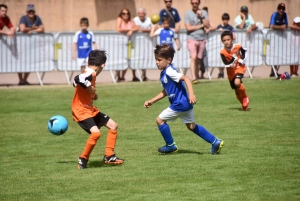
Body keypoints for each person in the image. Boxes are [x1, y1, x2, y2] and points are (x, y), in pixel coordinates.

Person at [144, 44, 224, 154]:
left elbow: (186, 78)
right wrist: (152, 100)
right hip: (185, 103)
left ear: (169, 60)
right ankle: (215, 142)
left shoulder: (169, 71)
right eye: (156, 60)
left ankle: (170, 145)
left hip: (179, 103)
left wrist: (191, 94)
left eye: (159, 60)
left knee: (160, 120)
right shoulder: (165, 72)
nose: (156, 62)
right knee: (191, 126)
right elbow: (166, 91)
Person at [72, 49, 124, 169]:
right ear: (103, 65)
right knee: (96, 133)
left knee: (113, 126)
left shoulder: (89, 72)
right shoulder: (91, 73)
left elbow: (76, 84)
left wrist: (92, 95)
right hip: (81, 111)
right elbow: (77, 79)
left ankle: (109, 156)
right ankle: (83, 159)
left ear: (88, 62)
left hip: (89, 109)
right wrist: (90, 88)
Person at [220, 31, 249, 111]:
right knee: (237, 91)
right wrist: (234, 58)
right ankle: (244, 104)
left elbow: (244, 51)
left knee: (237, 82)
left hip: (239, 68)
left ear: (232, 39)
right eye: (224, 40)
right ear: (222, 41)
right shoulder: (222, 52)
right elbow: (226, 64)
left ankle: (245, 97)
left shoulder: (238, 46)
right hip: (231, 73)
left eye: (228, 39)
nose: (226, 42)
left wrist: (242, 59)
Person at [184, 0, 210, 84]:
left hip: (202, 38)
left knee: (199, 59)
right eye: (193, 3)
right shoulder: (187, 13)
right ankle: (194, 77)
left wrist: (201, 16)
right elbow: (188, 28)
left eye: (196, 3)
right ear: (191, 3)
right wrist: (202, 25)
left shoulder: (204, 12)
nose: (194, 5)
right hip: (192, 38)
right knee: (193, 57)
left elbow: (208, 25)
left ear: (199, 3)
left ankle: (196, 75)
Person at [18, 4, 44, 85]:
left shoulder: (37, 18)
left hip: (31, 47)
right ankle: (20, 79)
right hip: (22, 45)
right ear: (27, 12)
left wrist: (32, 31)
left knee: (29, 62)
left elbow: (42, 28)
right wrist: (32, 28)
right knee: (20, 63)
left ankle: (24, 80)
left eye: (32, 11)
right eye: (29, 11)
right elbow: (22, 29)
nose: (31, 12)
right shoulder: (23, 18)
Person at [115, 8, 139, 82]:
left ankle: (123, 77)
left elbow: (137, 28)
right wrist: (130, 29)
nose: (126, 15)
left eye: (127, 13)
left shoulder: (130, 20)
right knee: (119, 59)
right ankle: (118, 77)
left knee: (128, 58)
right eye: (124, 13)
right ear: (121, 14)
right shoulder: (119, 19)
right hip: (120, 43)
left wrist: (132, 30)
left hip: (129, 43)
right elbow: (118, 28)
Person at [269, 3, 288, 77]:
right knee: (273, 54)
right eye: (280, 8)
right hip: (273, 38)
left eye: (283, 9)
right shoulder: (274, 15)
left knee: (280, 54)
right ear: (277, 9)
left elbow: (286, 25)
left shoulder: (285, 15)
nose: (281, 10)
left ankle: (275, 71)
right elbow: (271, 26)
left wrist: (283, 27)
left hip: (281, 39)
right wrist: (281, 27)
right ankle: (273, 71)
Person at [133, 7, 153, 81]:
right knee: (134, 58)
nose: (141, 15)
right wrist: (148, 30)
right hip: (136, 42)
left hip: (146, 43)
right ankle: (134, 76)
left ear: (145, 14)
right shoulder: (135, 19)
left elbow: (153, 27)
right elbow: (138, 28)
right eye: (139, 13)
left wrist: (149, 29)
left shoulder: (148, 19)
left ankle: (144, 75)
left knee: (144, 58)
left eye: (142, 13)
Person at [216, 13, 236, 79]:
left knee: (227, 59)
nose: (225, 21)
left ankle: (227, 72)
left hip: (227, 48)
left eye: (227, 19)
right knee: (219, 59)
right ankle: (220, 72)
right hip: (220, 46)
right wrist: (219, 31)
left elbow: (234, 35)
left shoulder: (230, 27)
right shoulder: (219, 26)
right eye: (224, 19)